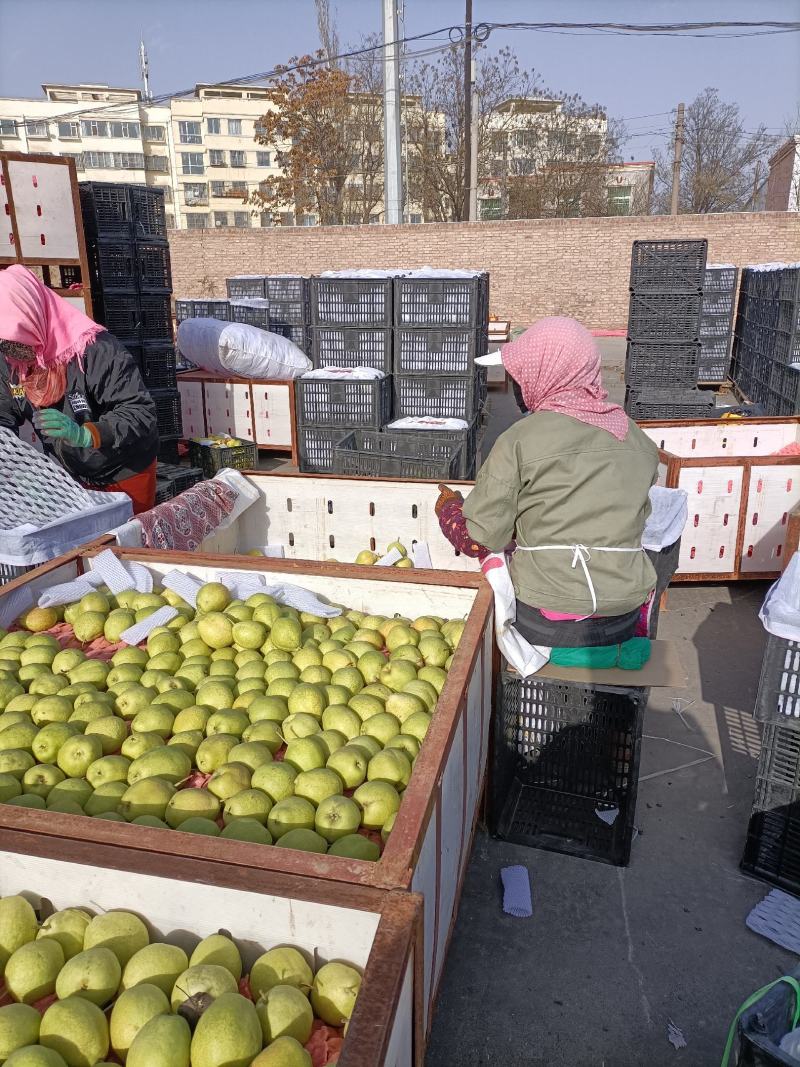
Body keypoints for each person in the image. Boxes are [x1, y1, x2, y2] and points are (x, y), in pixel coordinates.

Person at [435, 317, 660, 647]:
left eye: (520, 377)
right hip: (623, 614)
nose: (519, 387)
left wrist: (450, 508)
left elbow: (481, 537)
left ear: (546, 372)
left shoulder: (521, 439)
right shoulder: (638, 440)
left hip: (546, 616)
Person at [0, 264, 158, 514]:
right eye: (3, 342)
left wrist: (87, 434)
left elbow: (140, 413)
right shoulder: (11, 360)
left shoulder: (95, 350)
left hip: (123, 470)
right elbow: (4, 414)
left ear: (32, 315)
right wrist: (14, 466)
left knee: (124, 543)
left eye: (16, 337)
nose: (10, 349)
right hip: (69, 475)